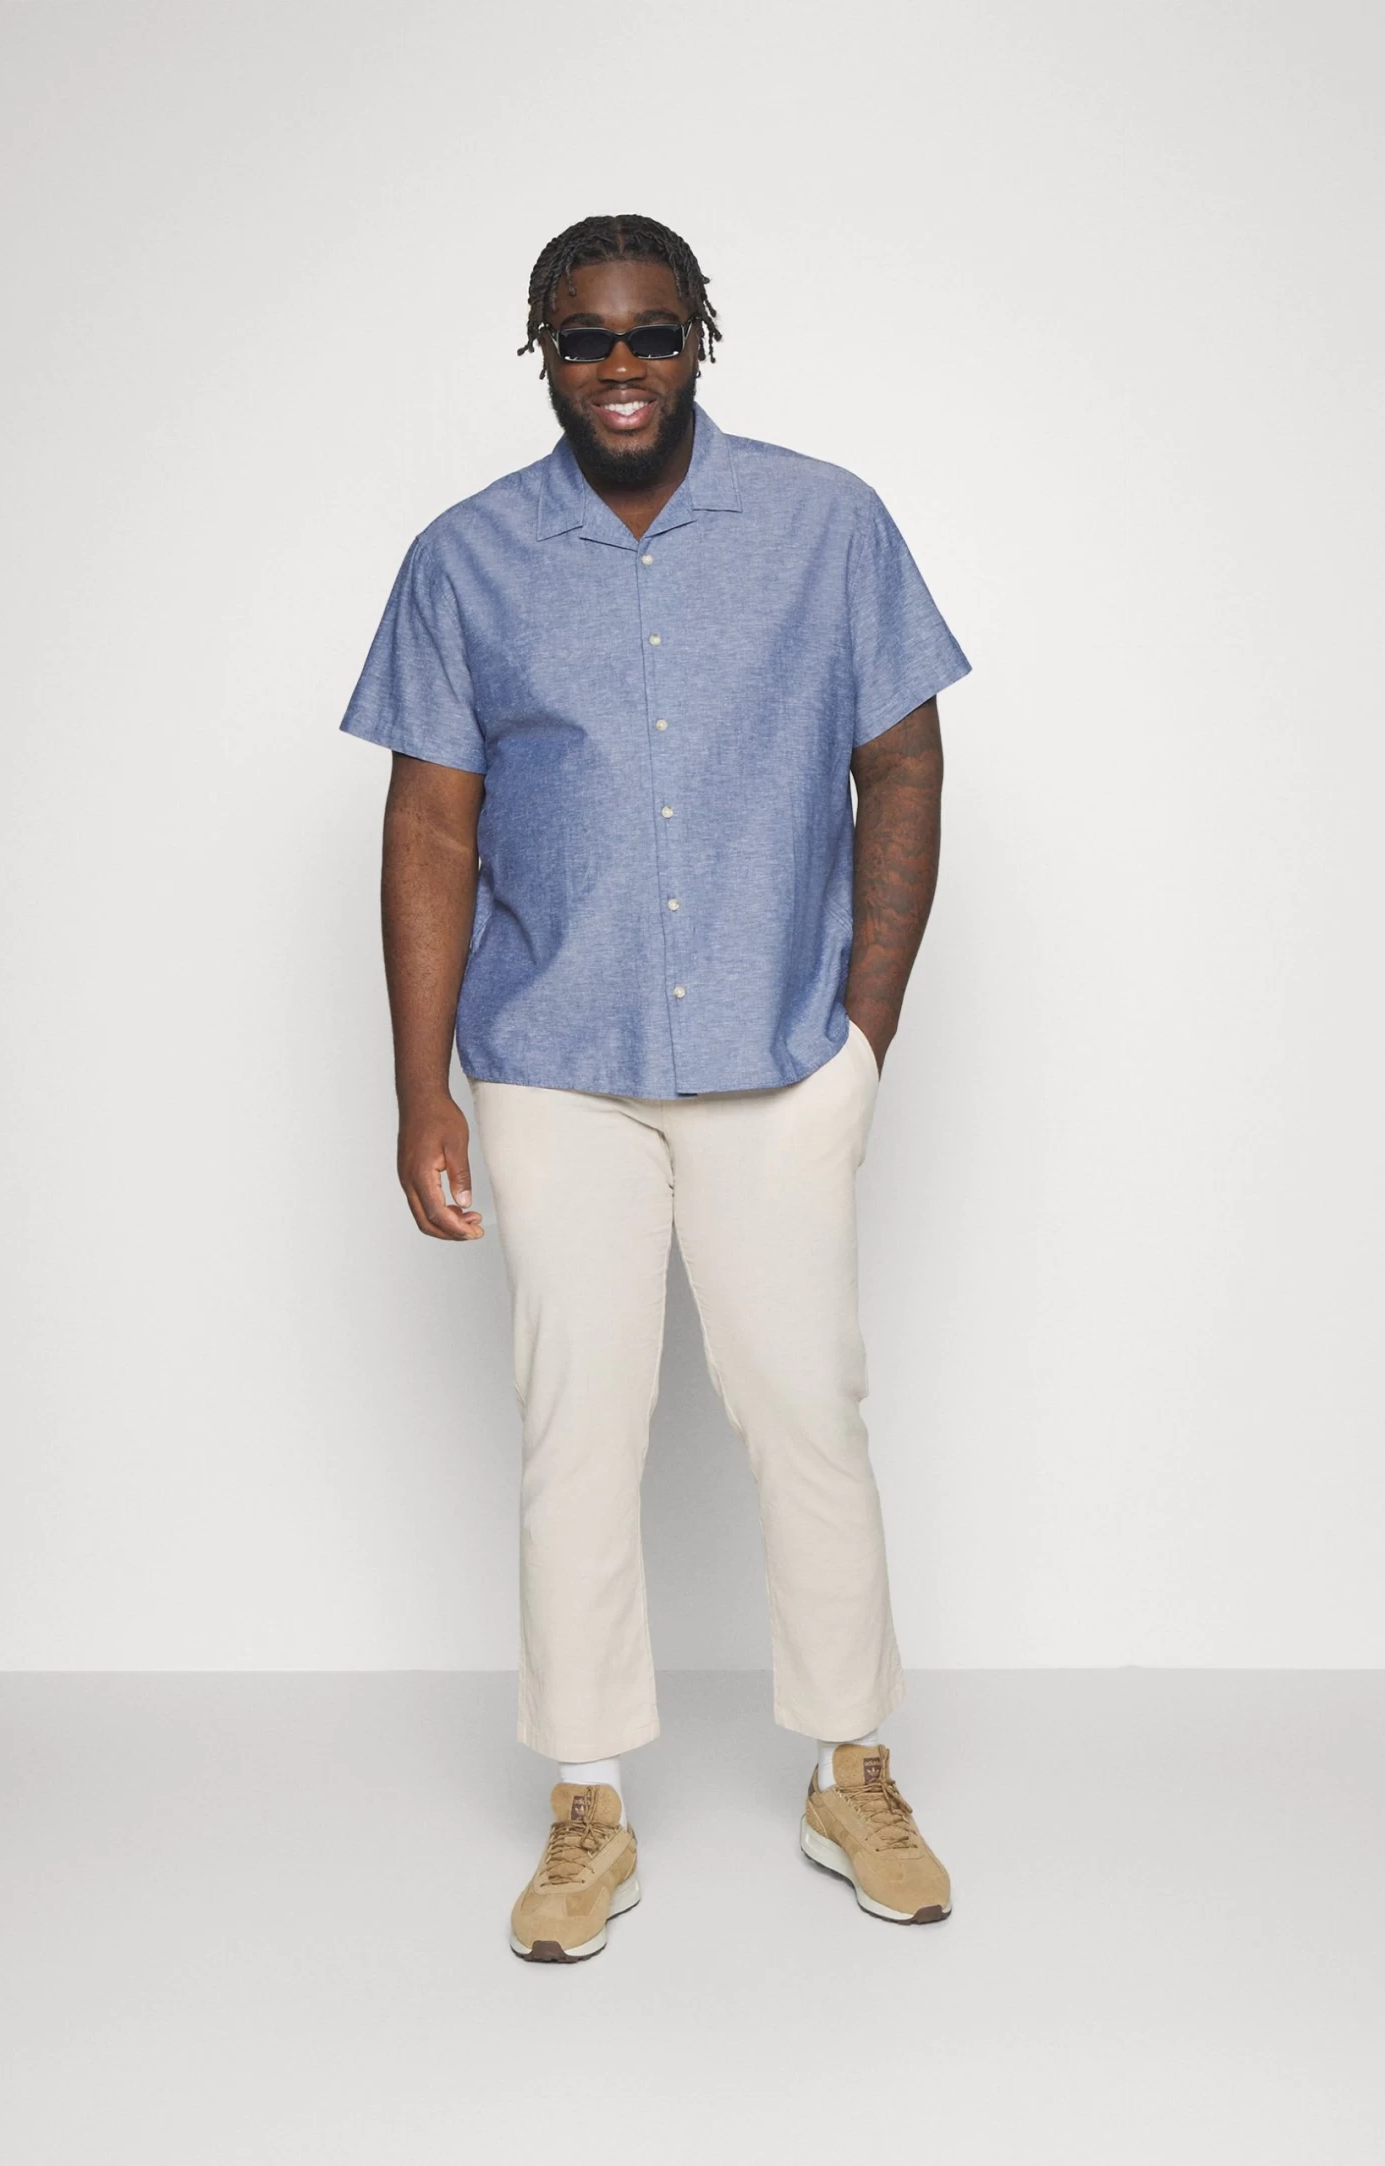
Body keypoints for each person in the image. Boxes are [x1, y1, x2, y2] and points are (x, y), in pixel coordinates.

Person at [339, 214, 971, 1962]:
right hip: (556, 1063)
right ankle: (587, 1803)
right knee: (577, 1422)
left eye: (652, 334)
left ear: (703, 335)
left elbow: (905, 759)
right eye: (584, 338)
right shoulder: (466, 560)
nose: (621, 367)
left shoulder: (827, 525)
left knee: (808, 1407)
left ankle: (852, 1771)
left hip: (778, 1056)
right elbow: (430, 825)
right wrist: (421, 1090)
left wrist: (865, 1029)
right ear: (540, 351)